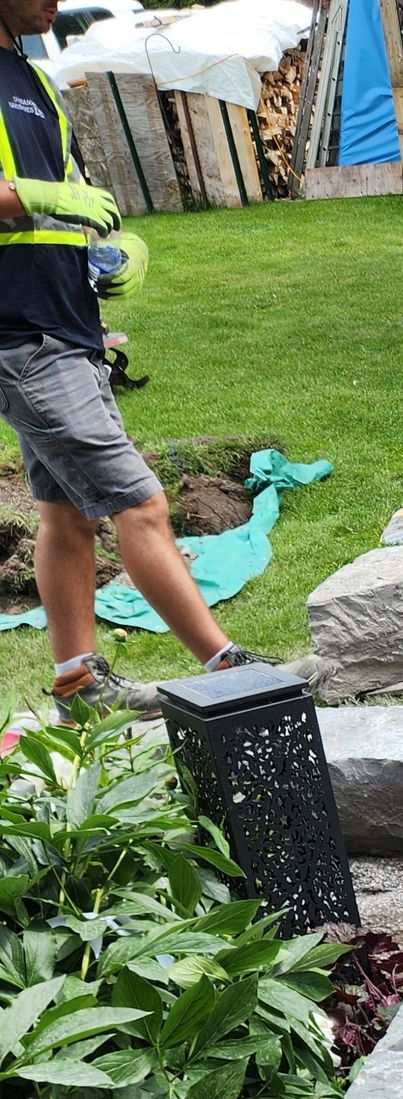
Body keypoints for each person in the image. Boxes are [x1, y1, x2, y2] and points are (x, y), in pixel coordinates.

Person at [0, 0, 260, 719]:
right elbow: (37, 197)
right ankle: (229, 667)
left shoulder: (32, 77)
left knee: (63, 513)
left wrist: (111, 254)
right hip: (21, 335)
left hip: (65, 324)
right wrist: (34, 196)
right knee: (139, 503)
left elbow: (73, 198)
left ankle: (78, 687)